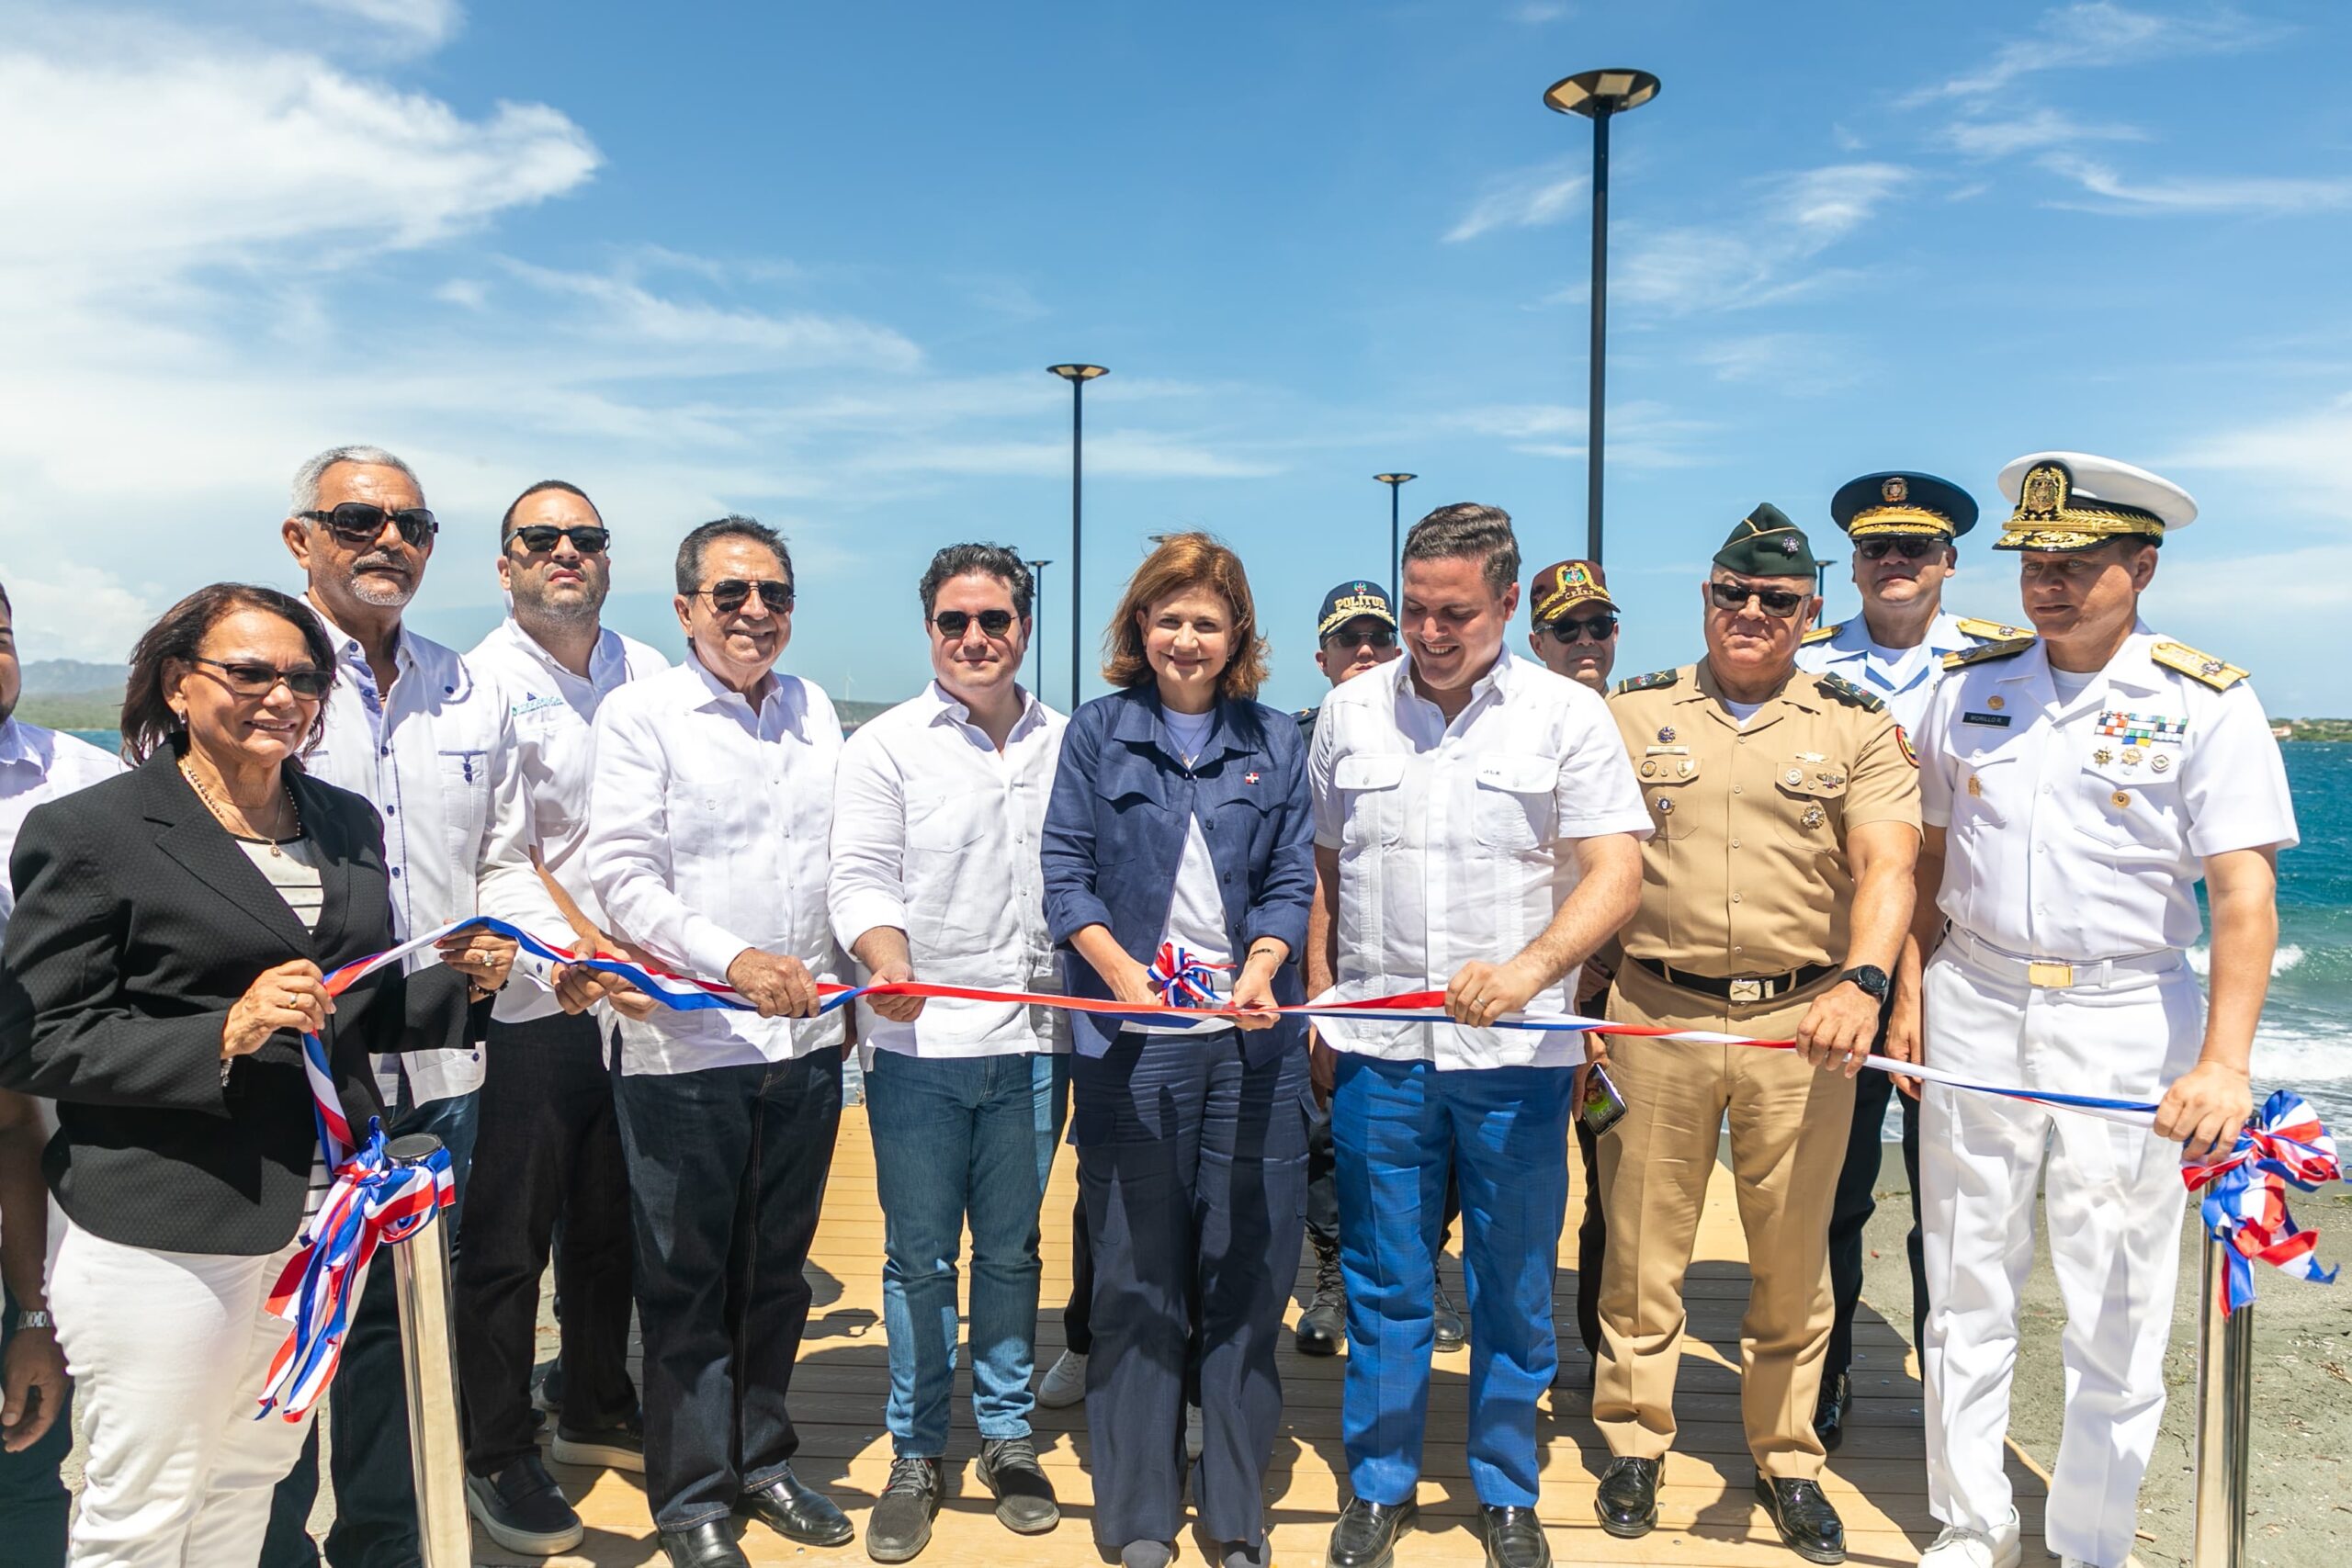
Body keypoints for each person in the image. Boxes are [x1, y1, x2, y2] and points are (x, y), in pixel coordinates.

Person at [0, 583, 470, 1567]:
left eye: (304, 677)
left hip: (313, 1229)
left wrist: (475, 990)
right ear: (178, 684)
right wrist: (224, 1031)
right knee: (142, 1511)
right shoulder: (92, 831)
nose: (282, 696)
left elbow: (347, 1009)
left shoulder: (343, 821)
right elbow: (40, 1041)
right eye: (249, 672)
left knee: (245, 1490)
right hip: (162, 1230)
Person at [1908, 454, 2296, 1568]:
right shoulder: (1968, 688)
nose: (2049, 584)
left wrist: (2224, 1063)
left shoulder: (2203, 702)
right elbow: (1932, 855)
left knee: (2116, 1303)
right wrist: (1904, 997)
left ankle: (2090, 1542)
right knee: (1964, 1283)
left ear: (2142, 566)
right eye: (2034, 562)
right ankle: (1969, 1525)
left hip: (2127, 1018)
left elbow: (2242, 894)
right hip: (1973, 998)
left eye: (2077, 564)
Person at [1307, 505, 1647, 1568]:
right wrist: (1321, 1000)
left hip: (1517, 1062)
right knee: (1385, 1278)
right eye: (1414, 610)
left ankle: (1507, 1487)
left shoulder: (1567, 716)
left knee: (1510, 1284)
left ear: (1508, 603)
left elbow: (1615, 872)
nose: (1429, 631)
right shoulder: (1350, 711)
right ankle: (1379, 1483)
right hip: (1379, 1057)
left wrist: (1528, 976)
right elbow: (1324, 871)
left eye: (1455, 611)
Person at [1594, 506, 1920, 1565]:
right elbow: (1580, 864)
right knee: (1643, 1248)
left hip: (1802, 1024)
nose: (1750, 614)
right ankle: (1634, 1440)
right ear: (1703, 598)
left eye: (1775, 601)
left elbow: (1888, 869)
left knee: (1793, 1256)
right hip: (1655, 1009)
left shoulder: (1852, 723)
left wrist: (1866, 983)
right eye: (1732, 594)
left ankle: (1786, 1457)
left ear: (1807, 612)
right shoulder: (1626, 716)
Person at [266, 445, 534, 1568]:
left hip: (441, 1069)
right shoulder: (262, 677)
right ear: (302, 539)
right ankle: (268, 1545)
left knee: (399, 1330)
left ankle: (382, 1543)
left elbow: (510, 855)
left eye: (414, 526)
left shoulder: (473, 687)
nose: (390, 542)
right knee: (281, 1327)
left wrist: (506, 941)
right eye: (360, 519)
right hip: (295, 1074)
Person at [1039, 533, 1314, 1568]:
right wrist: (1116, 971)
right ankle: (1139, 1516)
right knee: (1135, 1281)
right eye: (1168, 618)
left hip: (1251, 1048)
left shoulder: (1276, 737)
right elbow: (1065, 874)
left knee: (1244, 1277)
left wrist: (1266, 963)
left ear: (1236, 632)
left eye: (1206, 620)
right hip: (1130, 1049)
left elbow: (1290, 874)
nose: (1186, 638)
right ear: (1138, 629)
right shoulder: (1097, 734)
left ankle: (1235, 1515)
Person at [586, 516, 854, 1568]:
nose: (756, 613)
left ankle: (764, 1458)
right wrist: (733, 959)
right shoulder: (640, 715)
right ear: (687, 607)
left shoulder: (815, 709)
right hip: (686, 1051)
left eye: (775, 596)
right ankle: (693, 1493)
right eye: (733, 594)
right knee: (687, 1280)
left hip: (807, 1046)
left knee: (777, 1271)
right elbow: (622, 875)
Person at [828, 544, 1068, 1563]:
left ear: (1024, 629)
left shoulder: (1074, 741)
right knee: (918, 1259)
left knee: (1011, 1253)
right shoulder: (882, 747)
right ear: (930, 631)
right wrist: (887, 959)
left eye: (996, 620)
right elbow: (858, 878)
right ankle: (917, 1448)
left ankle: (1007, 1437)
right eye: (954, 622)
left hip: (1040, 1042)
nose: (976, 638)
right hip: (916, 1046)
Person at [454, 480, 669, 1554]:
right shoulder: (477, 686)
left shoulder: (653, 672)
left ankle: (591, 1399)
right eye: (541, 541)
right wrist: (581, 948)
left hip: (645, 1005)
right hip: (537, 1002)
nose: (565, 554)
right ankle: (494, 1445)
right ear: (505, 567)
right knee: (505, 1238)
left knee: (611, 1219)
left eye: (586, 538)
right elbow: (498, 850)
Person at [1794, 472, 2023, 1446]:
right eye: (1878, 549)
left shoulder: (2000, 665)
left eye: (1916, 549)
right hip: (1831, 967)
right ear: (1851, 563)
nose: (1897, 564)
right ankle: (1828, 1371)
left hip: (1954, 972)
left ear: (1948, 563)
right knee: (1833, 1193)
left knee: (1954, 1201)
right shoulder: (1802, 662)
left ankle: (1949, 1394)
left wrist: (1917, 972)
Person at [0, 580, 119, 1567]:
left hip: (48, 1149)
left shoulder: (81, 780)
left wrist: (33, 1310)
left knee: (27, 1446)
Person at [1290, 580, 1406, 1358]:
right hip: (1318, 969)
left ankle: (1419, 1268)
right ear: (1322, 656)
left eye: (1377, 638)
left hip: (1407, 977)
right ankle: (1331, 1277)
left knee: (1426, 1137)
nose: (1364, 651)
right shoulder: (1291, 738)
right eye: (1348, 640)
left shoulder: (1422, 733)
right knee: (1325, 1138)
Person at [1521, 557, 1623, 1390]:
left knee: (1611, 1188)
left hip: (1613, 1000)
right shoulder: (1519, 723)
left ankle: (1595, 1349)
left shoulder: (1646, 723)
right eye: (1568, 628)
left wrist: (1599, 977)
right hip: (1521, 1000)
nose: (1586, 641)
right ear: (1536, 640)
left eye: (1599, 625)